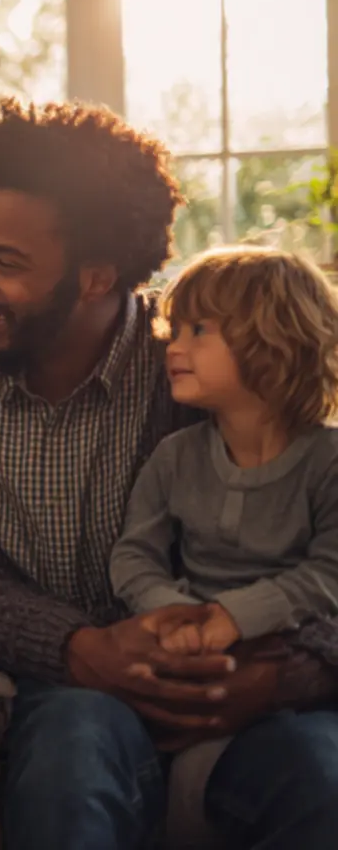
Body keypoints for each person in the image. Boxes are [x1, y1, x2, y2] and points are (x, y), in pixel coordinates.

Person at [0, 97, 338, 850]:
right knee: (69, 763)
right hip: (62, 693)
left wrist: (287, 677)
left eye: (8, 262)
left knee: (320, 775)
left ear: (96, 278)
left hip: (243, 683)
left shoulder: (195, 367)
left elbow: (319, 544)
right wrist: (80, 648)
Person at [108, 247, 338, 844]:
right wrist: (171, 613)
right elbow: (135, 554)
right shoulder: (174, 457)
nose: (173, 346)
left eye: (199, 331)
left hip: (295, 671)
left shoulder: (327, 460)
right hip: (187, 656)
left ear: (272, 340)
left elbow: (330, 574)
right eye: (174, 329)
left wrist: (235, 617)